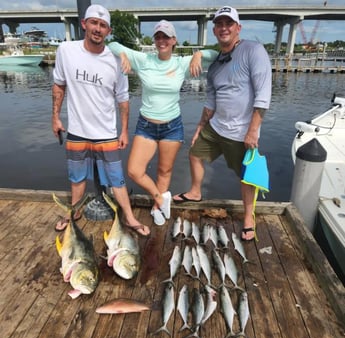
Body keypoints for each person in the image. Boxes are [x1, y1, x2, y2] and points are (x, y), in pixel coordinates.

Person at [173, 6, 272, 241]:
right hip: (217, 126)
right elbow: (211, 99)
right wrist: (199, 127)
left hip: (242, 132)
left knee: (247, 176)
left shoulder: (253, 50)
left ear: (238, 28)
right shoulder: (216, 64)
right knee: (195, 153)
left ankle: (249, 217)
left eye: (229, 23)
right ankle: (196, 192)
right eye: (219, 24)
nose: (224, 28)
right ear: (214, 30)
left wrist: (253, 130)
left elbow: (263, 94)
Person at [51, 4, 150, 236]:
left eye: (103, 25)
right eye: (94, 23)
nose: (97, 28)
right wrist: (55, 117)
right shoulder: (66, 50)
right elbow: (59, 85)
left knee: (117, 180)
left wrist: (124, 131)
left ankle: (130, 217)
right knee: (76, 179)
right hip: (76, 130)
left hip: (106, 132)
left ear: (108, 31)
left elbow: (123, 100)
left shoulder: (117, 60)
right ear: (84, 24)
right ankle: (73, 212)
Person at [108, 20, 218, 226]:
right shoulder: (143, 60)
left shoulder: (181, 63)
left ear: (174, 40)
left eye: (166, 37)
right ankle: (160, 198)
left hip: (172, 126)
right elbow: (111, 45)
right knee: (134, 170)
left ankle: (157, 208)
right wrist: (122, 54)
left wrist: (198, 54)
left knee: (164, 171)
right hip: (146, 126)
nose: (161, 41)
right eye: (158, 37)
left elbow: (216, 54)